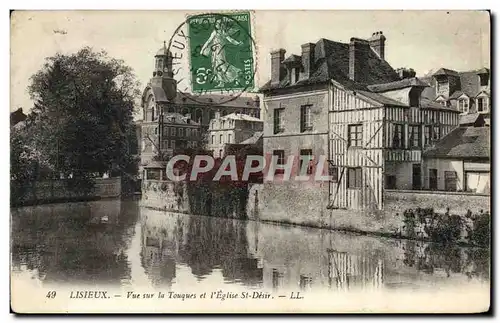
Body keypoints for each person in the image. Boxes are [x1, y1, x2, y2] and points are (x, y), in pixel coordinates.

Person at [200, 18, 243, 88]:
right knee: (217, 66)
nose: (218, 25)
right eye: (217, 23)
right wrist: (202, 49)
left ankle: (236, 73)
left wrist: (238, 43)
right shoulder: (215, 32)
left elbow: (231, 40)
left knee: (222, 65)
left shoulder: (223, 32)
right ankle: (221, 82)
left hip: (220, 51)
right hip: (215, 52)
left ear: (222, 25)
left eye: (220, 23)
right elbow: (208, 41)